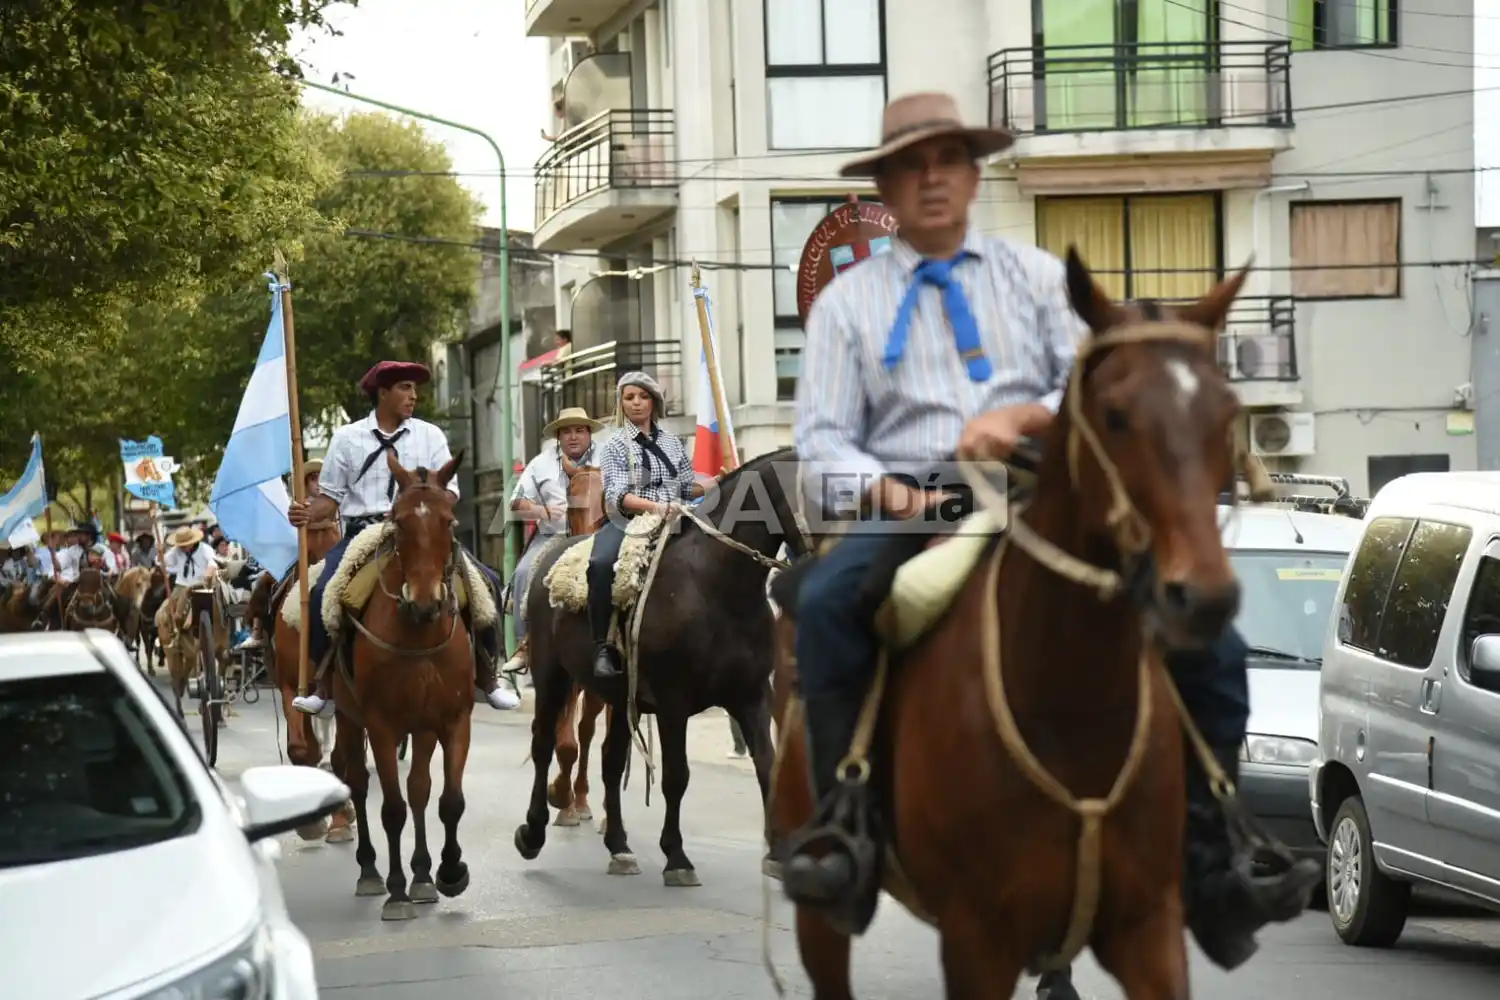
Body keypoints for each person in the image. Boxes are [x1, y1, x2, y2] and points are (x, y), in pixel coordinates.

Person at [781, 91, 1318, 977]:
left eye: (947, 160)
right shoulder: (847, 305)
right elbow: (821, 446)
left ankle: (1218, 847)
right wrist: (892, 491)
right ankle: (846, 827)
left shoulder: (1034, 275)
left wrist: (1024, 419)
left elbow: (1102, 378)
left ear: (972, 172)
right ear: (885, 184)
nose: (932, 179)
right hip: (916, 503)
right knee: (834, 599)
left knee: (1208, 636)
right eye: (911, 165)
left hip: (1045, 489)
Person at [287, 360, 519, 716]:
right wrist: (306, 512)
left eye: (414, 389)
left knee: (486, 582)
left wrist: (424, 510)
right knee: (323, 591)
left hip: (422, 533)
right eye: (406, 388)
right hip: (363, 532)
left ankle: (489, 677)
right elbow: (329, 499)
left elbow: (451, 491)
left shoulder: (431, 435)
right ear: (383, 392)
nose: (414, 396)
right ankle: (323, 684)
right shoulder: (347, 438)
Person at [590, 371, 715, 680]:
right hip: (629, 521)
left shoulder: (672, 443)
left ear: (654, 402)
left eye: (643, 396)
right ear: (621, 403)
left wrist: (716, 483)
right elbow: (618, 495)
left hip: (676, 517)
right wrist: (657, 507)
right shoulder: (614, 445)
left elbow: (686, 486)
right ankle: (603, 647)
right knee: (600, 563)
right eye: (629, 397)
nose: (636, 403)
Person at [502, 406, 601, 673]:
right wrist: (540, 511)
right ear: (558, 436)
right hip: (552, 537)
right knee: (523, 572)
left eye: (579, 430)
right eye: (566, 431)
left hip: (600, 535)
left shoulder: (608, 457)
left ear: (589, 433)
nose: (573, 437)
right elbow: (516, 502)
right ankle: (526, 645)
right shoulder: (540, 463)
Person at [236, 458, 333, 652]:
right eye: (314, 478)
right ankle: (257, 631)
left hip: (331, 548)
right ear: (306, 483)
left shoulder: (334, 501)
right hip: (302, 551)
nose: (318, 483)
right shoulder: (299, 504)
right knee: (265, 581)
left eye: (322, 478)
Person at [161, 524, 220, 631]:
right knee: (167, 609)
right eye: (181, 546)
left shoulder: (205, 549)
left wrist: (208, 573)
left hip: (202, 584)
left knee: (217, 606)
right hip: (182, 585)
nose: (183, 548)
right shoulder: (176, 550)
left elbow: (213, 562)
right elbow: (164, 561)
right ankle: (173, 632)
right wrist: (160, 554)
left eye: (185, 545)